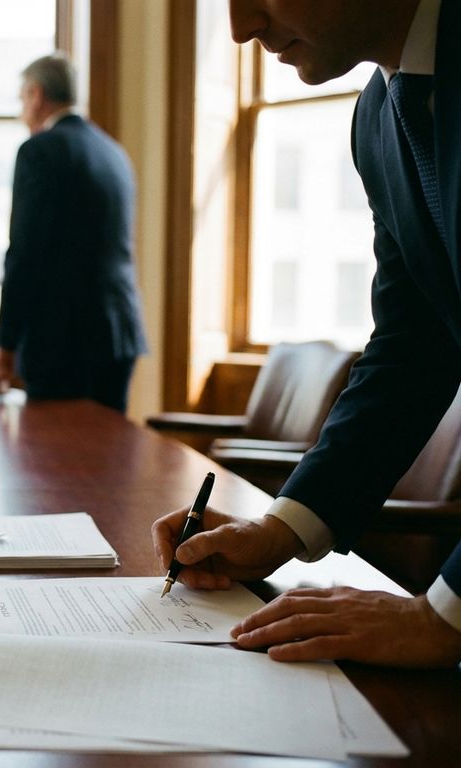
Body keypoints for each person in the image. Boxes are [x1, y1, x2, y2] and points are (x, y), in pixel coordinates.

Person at [153, 0, 461, 668]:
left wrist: (446, 614)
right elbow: (416, 345)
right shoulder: (378, 116)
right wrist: (281, 528)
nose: (240, 27)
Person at [0, 54, 149, 413]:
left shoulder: (39, 151)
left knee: (54, 462)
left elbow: (27, 251)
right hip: (118, 334)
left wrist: (6, 340)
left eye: (21, 100)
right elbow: (73, 244)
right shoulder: (113, 152)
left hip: (64, 341)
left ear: (36, 94)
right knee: (108, 457)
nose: (21, 112)